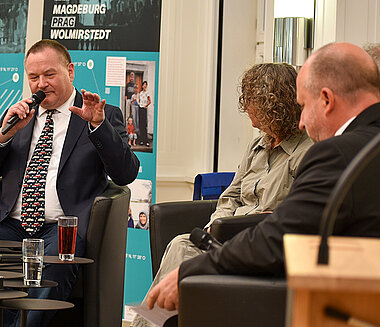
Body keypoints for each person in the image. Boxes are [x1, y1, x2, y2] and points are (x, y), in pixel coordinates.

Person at [147, 42, 380, 314]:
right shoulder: (366, 146)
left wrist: (191, 270)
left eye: (304, 106)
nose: (302, 121)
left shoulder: (336, 153)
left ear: (326, 100)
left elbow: (280, 238)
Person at [0, 39, 140, 327]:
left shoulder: (102, 115)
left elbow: (126, 174)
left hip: (63, 228)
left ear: (70, 71)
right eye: (33, 77)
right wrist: (4, 134)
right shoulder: (19, 115)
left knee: (54, 270)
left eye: (49, 75)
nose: (40, 84)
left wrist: (97, 127)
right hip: (10, 222)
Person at [132, 62, 313, 327]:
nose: (247, 109)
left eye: (252, 102)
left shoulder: (305, 152)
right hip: (225, 236)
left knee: (181, 246)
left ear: (273, 105)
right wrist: (215, 226)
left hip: (256, 243)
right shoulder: (257, 145)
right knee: (182, 245)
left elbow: (289, 215)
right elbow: (231, 196)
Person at [137, 81, 151, 146]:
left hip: (144, 109)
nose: (145, 86)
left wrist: (146, 106)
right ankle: (141, 140)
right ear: (142, 86)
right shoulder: (140, 93)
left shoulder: (147, 93)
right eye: (144, 85)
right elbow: (138, 100)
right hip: (140, 109)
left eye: (146, 85)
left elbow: (150, 101)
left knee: (144, 125)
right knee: (141, 125)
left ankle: (146, 141)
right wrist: (140, 105)